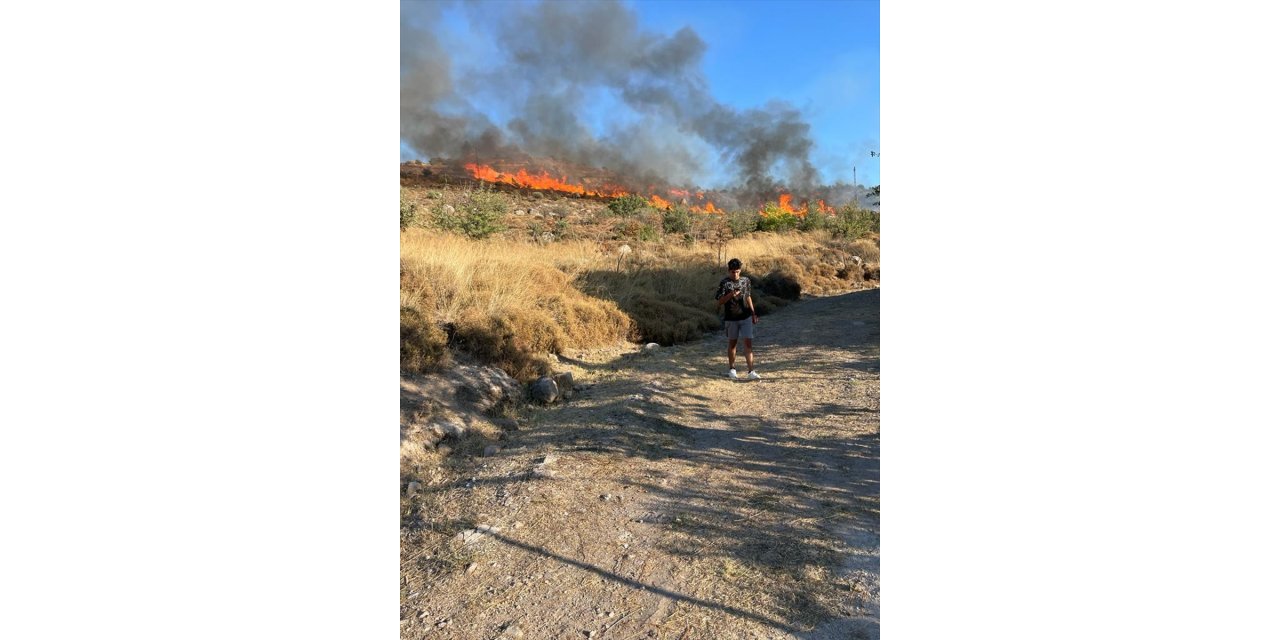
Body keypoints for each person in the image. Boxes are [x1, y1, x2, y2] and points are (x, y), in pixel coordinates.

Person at [715, 258, 760, 380]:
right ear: (729, 271)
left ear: (740, 270)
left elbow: (748, 296)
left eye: (737, 271)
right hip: (731, 318)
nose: (735, 274)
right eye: (733, 272)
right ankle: (732, 369)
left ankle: (751, 371)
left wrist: (753, 313)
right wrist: (730, 295)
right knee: (732, 344)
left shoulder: (746, 281)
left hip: (745, 317)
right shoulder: (724, 283)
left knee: (748, 344)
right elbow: (719, 301)